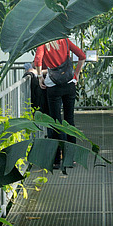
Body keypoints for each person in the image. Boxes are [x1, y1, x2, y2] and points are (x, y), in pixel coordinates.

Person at [34, 38, 86, 169]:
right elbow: (82, 56)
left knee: (55, 123)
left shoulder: (43, 43)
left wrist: (40, 77)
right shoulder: (65, 41)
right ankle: (70, 159)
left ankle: (56, 160)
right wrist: (77, 74)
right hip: (69, 84)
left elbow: (38, 60)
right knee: (69, 121)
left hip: (53, 87)